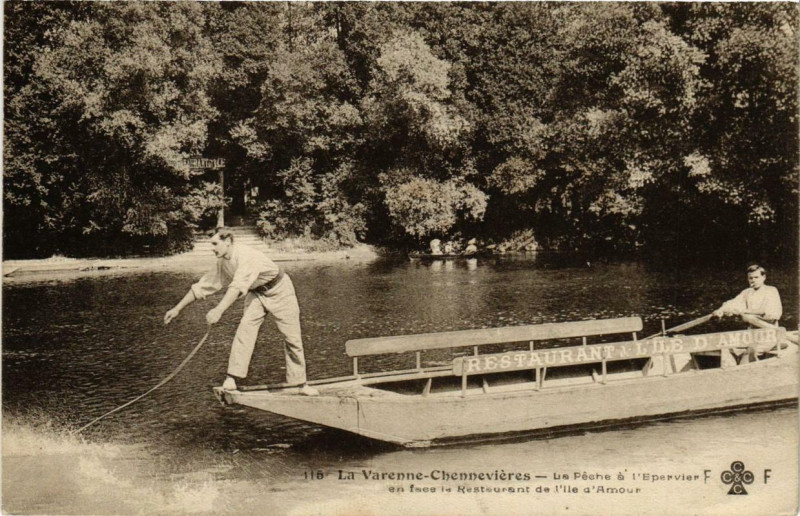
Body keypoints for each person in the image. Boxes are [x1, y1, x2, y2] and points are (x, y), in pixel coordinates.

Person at [164, 227, 318, 395]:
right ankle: (231, 379)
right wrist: (177, 308)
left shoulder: (246, 255)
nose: (212, 248)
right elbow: (203, 286)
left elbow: (237, 287)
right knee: (245, 330)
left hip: (280, 289)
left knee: (292, 337)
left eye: (215, 244)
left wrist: (218, 310)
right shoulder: (223, 262)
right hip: (256, 293)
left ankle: (300, 384)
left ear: (228, 242)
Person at [712, 264, 782, 329]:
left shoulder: (771, 290)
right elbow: (733, 303)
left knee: (746, 316)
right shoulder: (747, 292)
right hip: (752, 331)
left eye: (756, 277)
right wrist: (720, 310)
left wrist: (742, 312)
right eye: (750, 278)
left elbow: (769, 315)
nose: (753, 280)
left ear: (764, 277)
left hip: (769, 329)